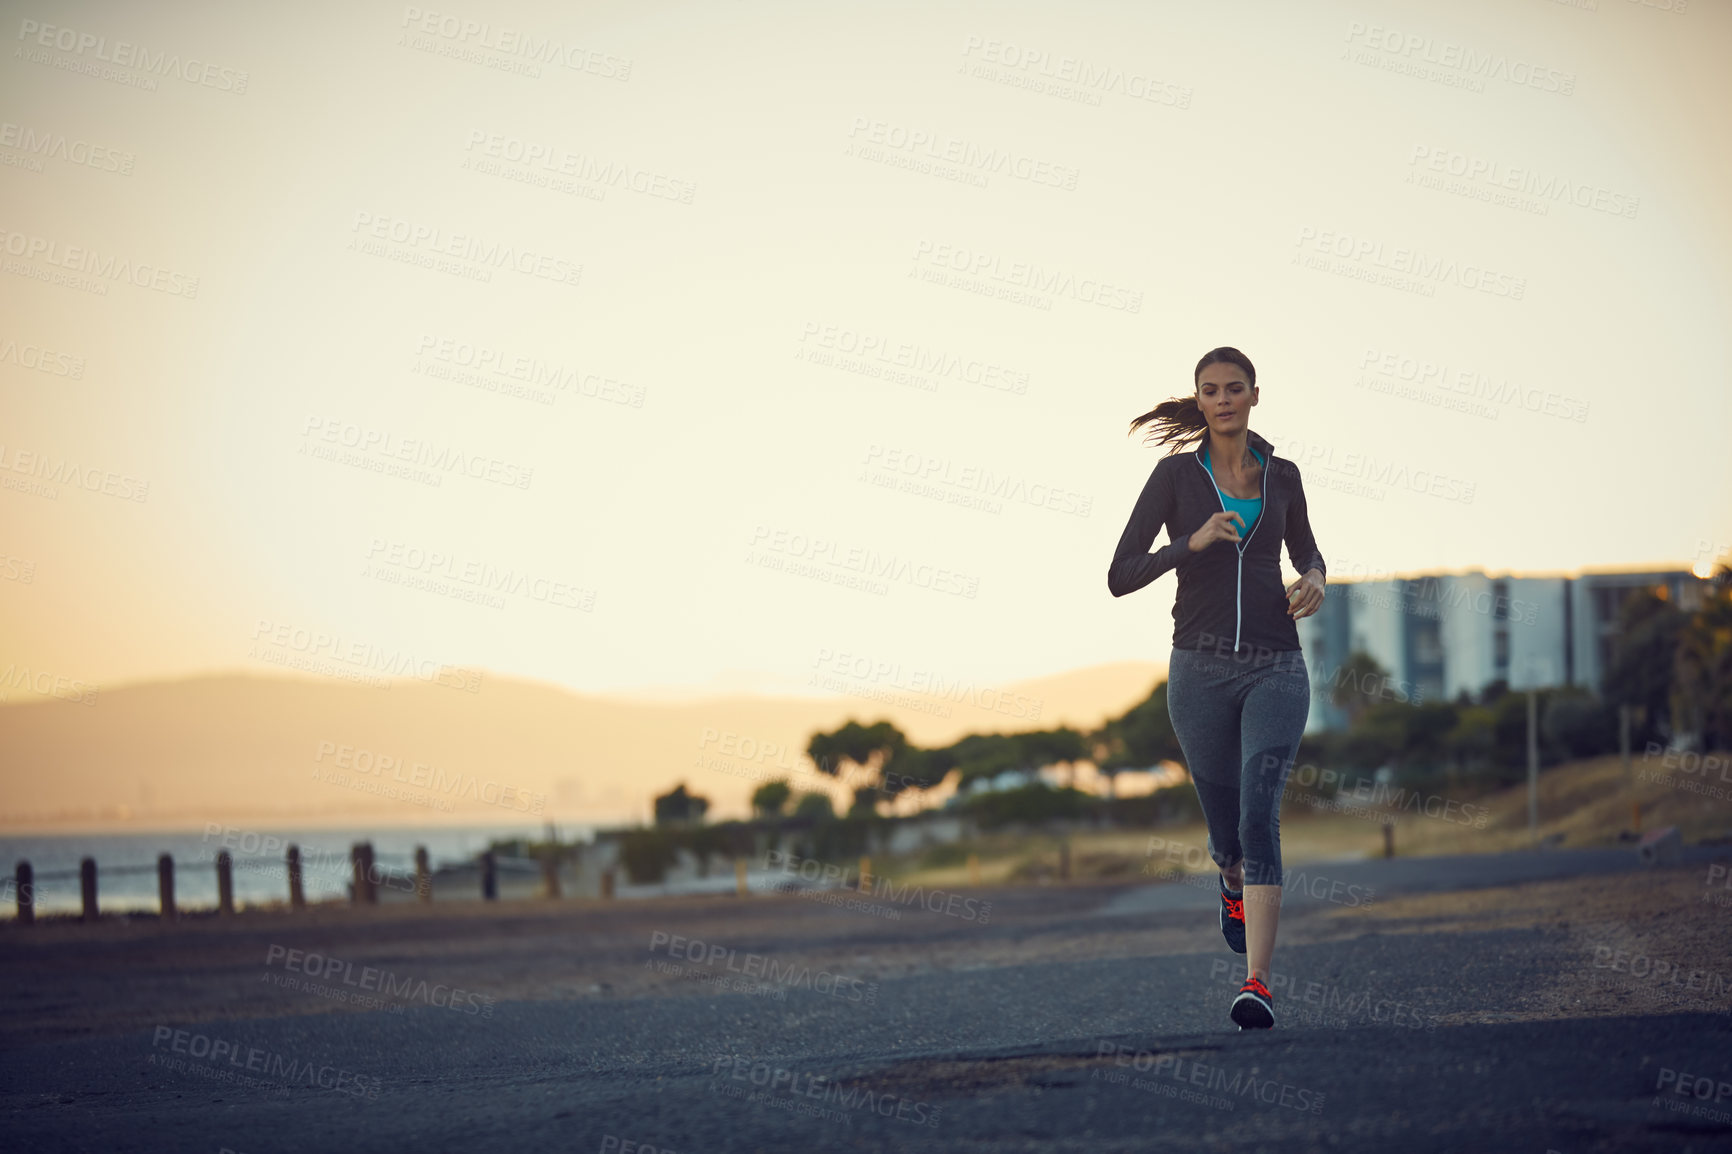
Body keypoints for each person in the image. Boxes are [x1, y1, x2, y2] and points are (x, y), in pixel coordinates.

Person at [1107, 346, 1326, 1030]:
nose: (1225, 398)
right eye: (1212, 390)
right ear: (1199, 401)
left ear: (1255, 395)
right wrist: (1191, 543)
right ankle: (1228, 878)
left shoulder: (1283, 475)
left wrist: (1316, 578)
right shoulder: (1174, 477)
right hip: (1198, 669)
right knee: (1228, 834)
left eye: (1236, 388)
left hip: (1275, 665)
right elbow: (1120, 573)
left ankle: (1256, 983)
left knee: (1261, 815)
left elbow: (1307, 549)